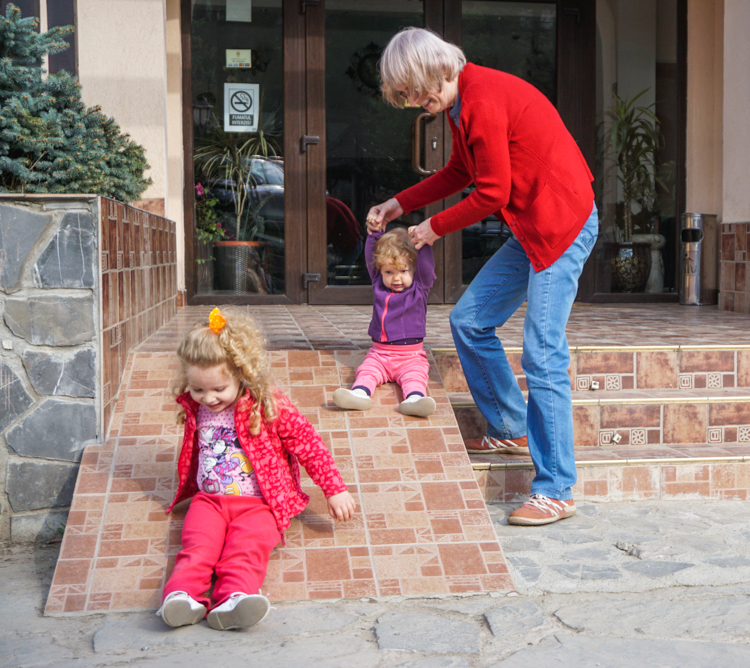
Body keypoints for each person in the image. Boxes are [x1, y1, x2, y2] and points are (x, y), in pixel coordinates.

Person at [366, 28, 598, 526]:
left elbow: (492, 192)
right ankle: (513, 427)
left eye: (409, 92)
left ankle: (557, 489)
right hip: (530, 226)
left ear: (429, 72)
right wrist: (400, 202)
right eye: (404, 97)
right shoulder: (460, 104)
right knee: (469, 320)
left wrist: (429, 228)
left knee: (542, 351)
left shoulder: (482, 98)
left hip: (562, 222)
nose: (411, 104)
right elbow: (459, 171)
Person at [158, 308, 355, 630]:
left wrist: (334, 489)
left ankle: (234, 599)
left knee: (246, 550)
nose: (208, 398)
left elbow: (308, 443)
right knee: (197, 547)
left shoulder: (267, 405)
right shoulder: (195, 405)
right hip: (209, 502)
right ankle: (181, 597)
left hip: (260, 505)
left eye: (218, 389)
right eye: (198, 390)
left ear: (242, 373)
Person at [332, 226, 437, 417]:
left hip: (410, 357)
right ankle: (360, 394)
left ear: (414, 269)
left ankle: (414, 399)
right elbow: (371, 258)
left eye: (403, 271)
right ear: (380, 271)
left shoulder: (419, 288)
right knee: (366, 371)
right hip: (379, 355)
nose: (396, 278)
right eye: (389, 272)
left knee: (415, 377)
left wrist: (421, 243)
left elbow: (427, 268)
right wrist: (375, 234)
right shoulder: (379, 286)